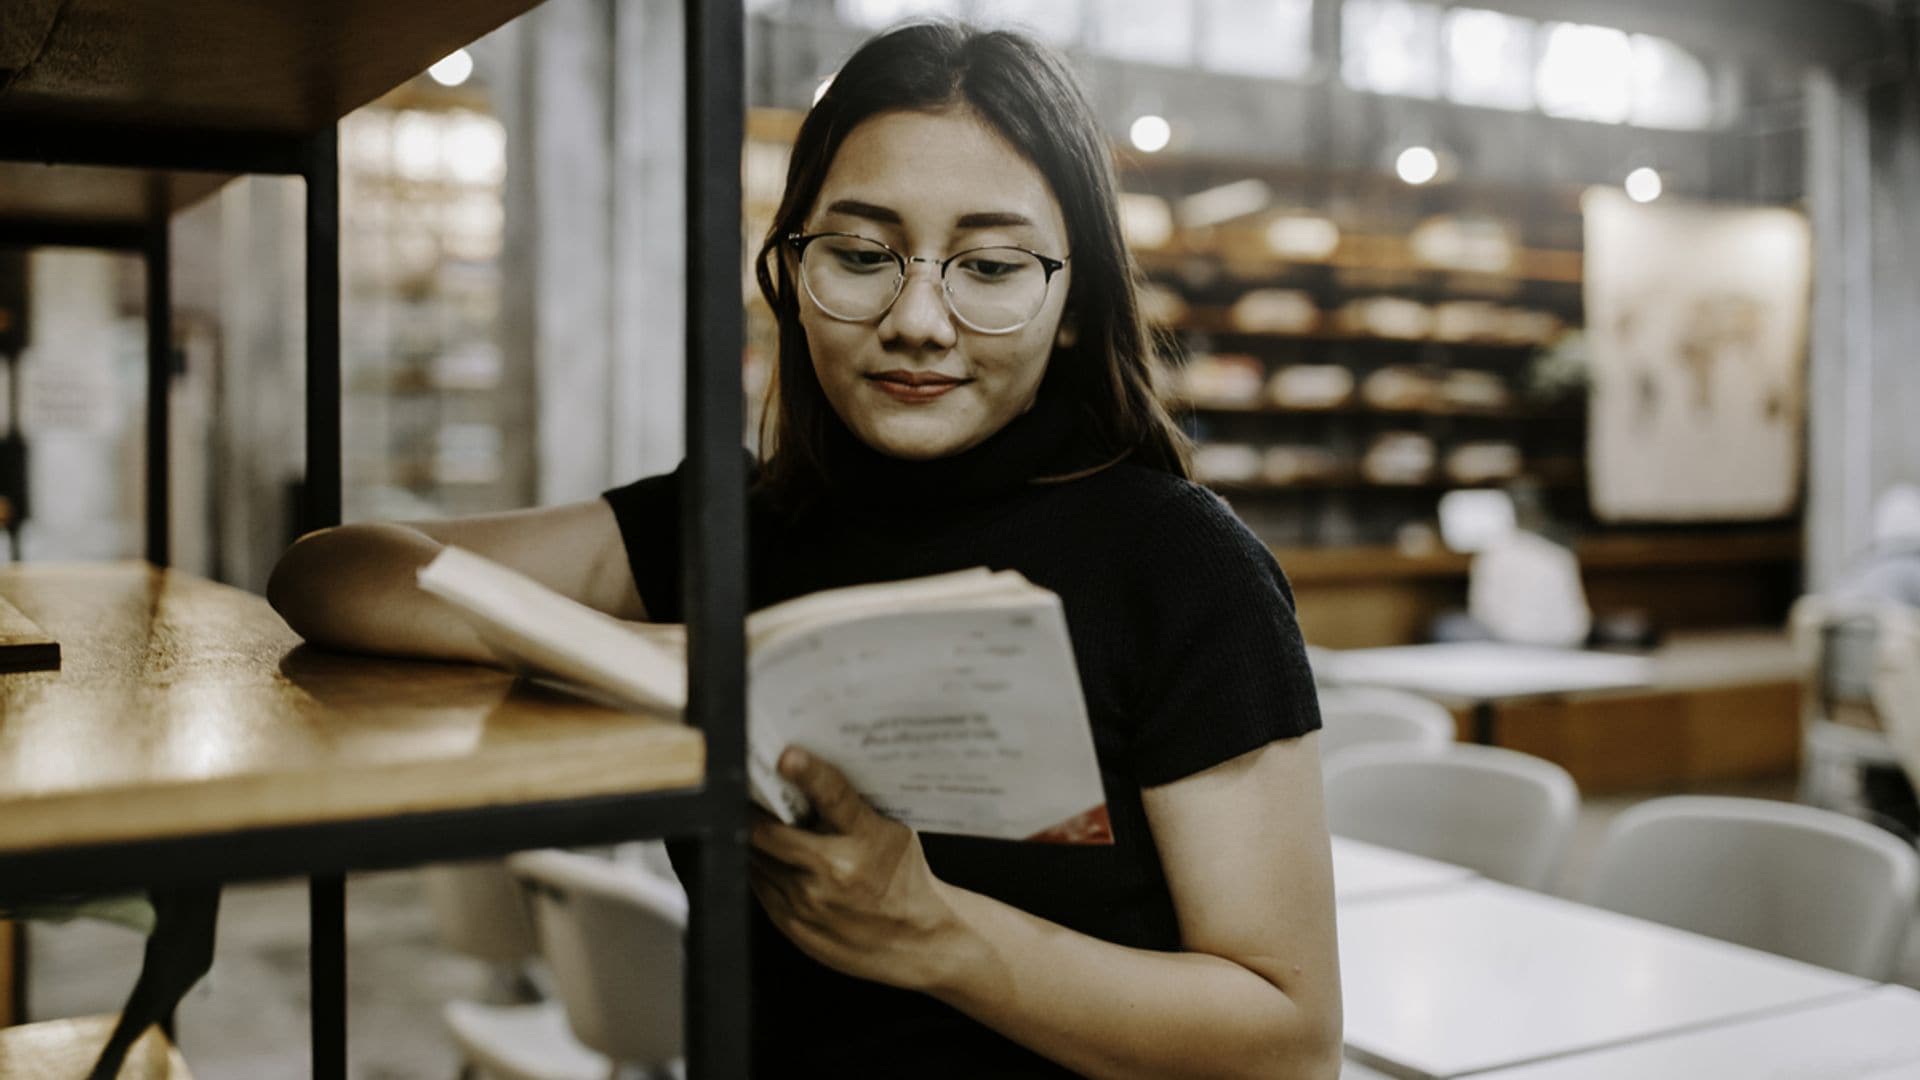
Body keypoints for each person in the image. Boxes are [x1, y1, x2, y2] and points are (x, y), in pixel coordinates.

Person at [269, 22, 1340, 1079]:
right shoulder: (732, 526)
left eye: (992, 266)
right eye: (864, 255)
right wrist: (677, 660)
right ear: (789, 272)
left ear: (1070, 304)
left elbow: (1288, 1046)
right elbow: (331, 573)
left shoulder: (1180, 566)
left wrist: (938, 935)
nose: (919, 318)